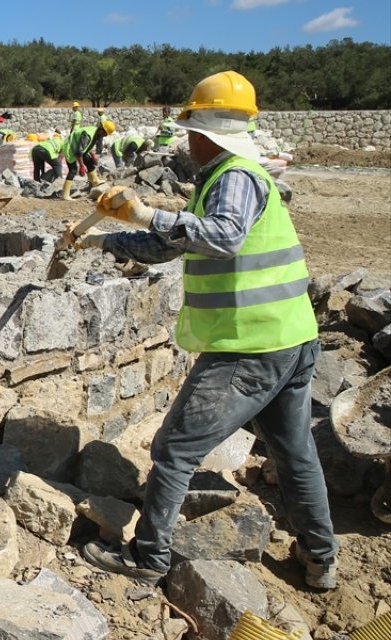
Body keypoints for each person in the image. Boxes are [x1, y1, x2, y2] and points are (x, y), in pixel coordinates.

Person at [75, 71, 337, 591]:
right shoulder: (227, 179)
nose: (185, 139)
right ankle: (320, 560)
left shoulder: (234, 177)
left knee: (174, 450)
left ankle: (148, 558)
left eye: (189, 128)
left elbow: (224, 238)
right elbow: (175, 244)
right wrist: (103, 241)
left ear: (204, 132)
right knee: (293, 452)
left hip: (251, 346)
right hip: (290, 339)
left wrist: (147, 212)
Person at [60, 119, 115, 200]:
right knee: (73, 170)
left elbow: (86, 146)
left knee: (89, 161)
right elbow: (78, 152)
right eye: (105, 134)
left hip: (78, 148)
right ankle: (65, 195)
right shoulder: (88, 135)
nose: (105, 136)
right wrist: (82, 165)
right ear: (102, 130)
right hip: (70, 148)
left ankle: (95, 181)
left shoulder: (96, 133)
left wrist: (92, 155)